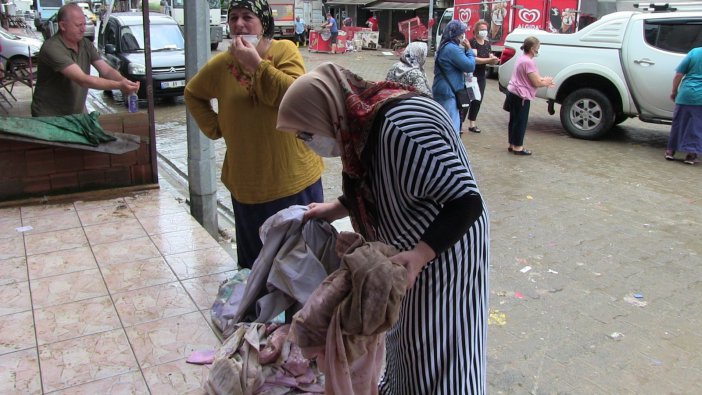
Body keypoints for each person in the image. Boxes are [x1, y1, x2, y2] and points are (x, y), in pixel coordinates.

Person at [277, 62, 489, 395]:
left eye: (306, 133)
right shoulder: (360, 128)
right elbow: (377, 180)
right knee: (402, 337)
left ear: (326, 112)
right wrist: (337, 208)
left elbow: (466, 201)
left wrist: (421, 255)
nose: (308, 143)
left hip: (445, 250)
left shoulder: (401, 129)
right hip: (406, 252)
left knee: (438, 345)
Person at [184, 0, 324, 269]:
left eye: (247, 17)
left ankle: (302, 313)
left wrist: (256, 64)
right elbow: (192, 93)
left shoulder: (285, 51)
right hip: (249, 186)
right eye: (233, 17)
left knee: (301, 267)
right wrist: (216, 127)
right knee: (256, 268)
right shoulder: (222, 64)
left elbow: (296, 97)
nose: (238, 24)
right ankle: (257, 312)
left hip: (294, 181)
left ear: (264, 23)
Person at [31, 3, 139, 117]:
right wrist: (119, 85)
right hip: (50, 116)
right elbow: (83, 80)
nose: (83, 29)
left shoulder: (85, 44)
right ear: (63, 26)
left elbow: (106, 71)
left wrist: (125, 82)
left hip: (76, 114)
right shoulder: (52, 48)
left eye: (84, 24)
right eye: (78, 25)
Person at [505, 36, 554, 155]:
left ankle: (512, 144)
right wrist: (546, 82)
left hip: (513, 92)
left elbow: (532, 77)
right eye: (538, 47)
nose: (538, 50)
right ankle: (518, 147)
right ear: (533, 49)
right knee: (520, 121)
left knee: (514, 120)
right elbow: (536, 82)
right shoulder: (529, 62)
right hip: (521, 96)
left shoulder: (521, 58)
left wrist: (542, 80)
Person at [432, 20, 475, 135]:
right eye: (462, 33)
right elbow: (470, 66)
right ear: (456, 33)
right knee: (450, 129)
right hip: (448, 93)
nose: (463, 35)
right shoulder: (452, 48)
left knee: (442, 125)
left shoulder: (445, 46)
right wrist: (469, 50)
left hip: (442, 89)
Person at [665, 47, 702, 165]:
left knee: (678, 123)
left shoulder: (695, 52)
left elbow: (679, 74)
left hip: (685, 94)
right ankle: (690, 155)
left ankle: (670, 151)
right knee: (696, 125)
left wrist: (674, 91)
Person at [466, 19, 500, 133]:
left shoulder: (486, 44)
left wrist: (494, 60)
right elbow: (474, 60)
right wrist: (489, 59)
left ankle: (472, 123)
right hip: (470, 75)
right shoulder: (471, 42)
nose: (484, 32)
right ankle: (459, 123)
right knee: (467, 98)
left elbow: (489, 58)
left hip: (481, 75)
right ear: (476, 31)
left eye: (485, 29)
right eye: (481, 30)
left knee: (477, 99)